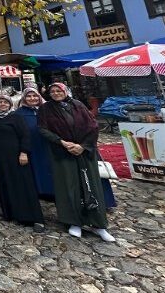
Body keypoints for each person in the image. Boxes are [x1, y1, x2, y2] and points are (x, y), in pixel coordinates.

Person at [38, 83, 115, 242]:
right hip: (62, 152)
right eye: (52, 91)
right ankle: (74, 222)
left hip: (84, 152)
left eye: (58, 90)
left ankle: (99, 224)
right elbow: (43, 129)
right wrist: (62, 142)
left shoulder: (78, 105)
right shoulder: (46, 109)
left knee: (91, 185)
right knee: (68, 187)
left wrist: (83, 146)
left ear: (65, 91)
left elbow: (93, 126)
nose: (56, 93)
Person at [0, 94, 45, 232]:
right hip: (1, 158)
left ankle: (32, 216)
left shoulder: (16, 117)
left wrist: (24, 152)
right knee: (5, 183)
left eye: (5, 102)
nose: (2, 104)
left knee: (22, 184)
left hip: (16, 156)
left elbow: (25, 135)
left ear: (10, 104)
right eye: (0, 102)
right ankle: (11, 212)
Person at [15, 88, 55, 200]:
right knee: (35, 168)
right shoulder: (19, 113)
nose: (32, 98)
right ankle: (39, 191)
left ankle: (52, 191)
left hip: (48, 144)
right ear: (24, 98)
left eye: (35, 96)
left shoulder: (47, 109)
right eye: (29, 96)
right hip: (32, 146)